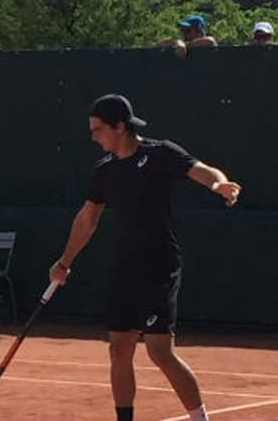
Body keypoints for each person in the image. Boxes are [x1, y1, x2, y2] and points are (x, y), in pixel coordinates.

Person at [48, 94, 241, 421]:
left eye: (98, 130)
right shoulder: (105, 170)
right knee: (118, 348)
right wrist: (64, 262)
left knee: (159, 352)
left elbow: (202, 170)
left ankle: (200, 419)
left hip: (159, 266)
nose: (93, 137)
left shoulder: (159, 153)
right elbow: (87, 219)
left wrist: (220, 185)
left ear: (119, 127)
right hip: (125, 267)